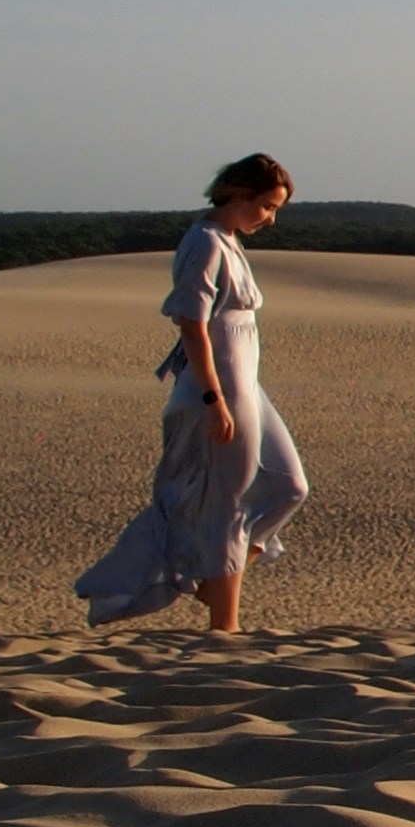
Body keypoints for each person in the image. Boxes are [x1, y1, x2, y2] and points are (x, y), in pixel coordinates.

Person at [75, 155, 311, 631]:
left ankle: (215, 581)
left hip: (245, 387)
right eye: (265, 206)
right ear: (237, 194)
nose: (270, 219)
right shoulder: (203, 243)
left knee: (288, 486)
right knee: (226, 505)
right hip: (218, 390)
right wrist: (214, 400)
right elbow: (192, 325)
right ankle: (225, 626)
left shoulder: (228, 241)